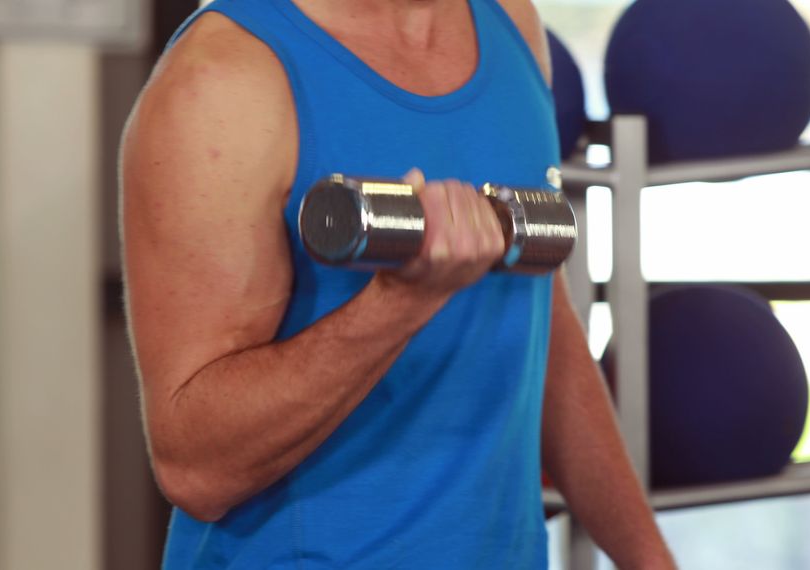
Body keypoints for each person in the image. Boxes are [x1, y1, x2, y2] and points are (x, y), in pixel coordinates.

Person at [120, 0, 675, 567]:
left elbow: (543, 330)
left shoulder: (512, 23)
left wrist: (649, 558)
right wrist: (405, 300)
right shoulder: (222, 76)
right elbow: (195, 469)